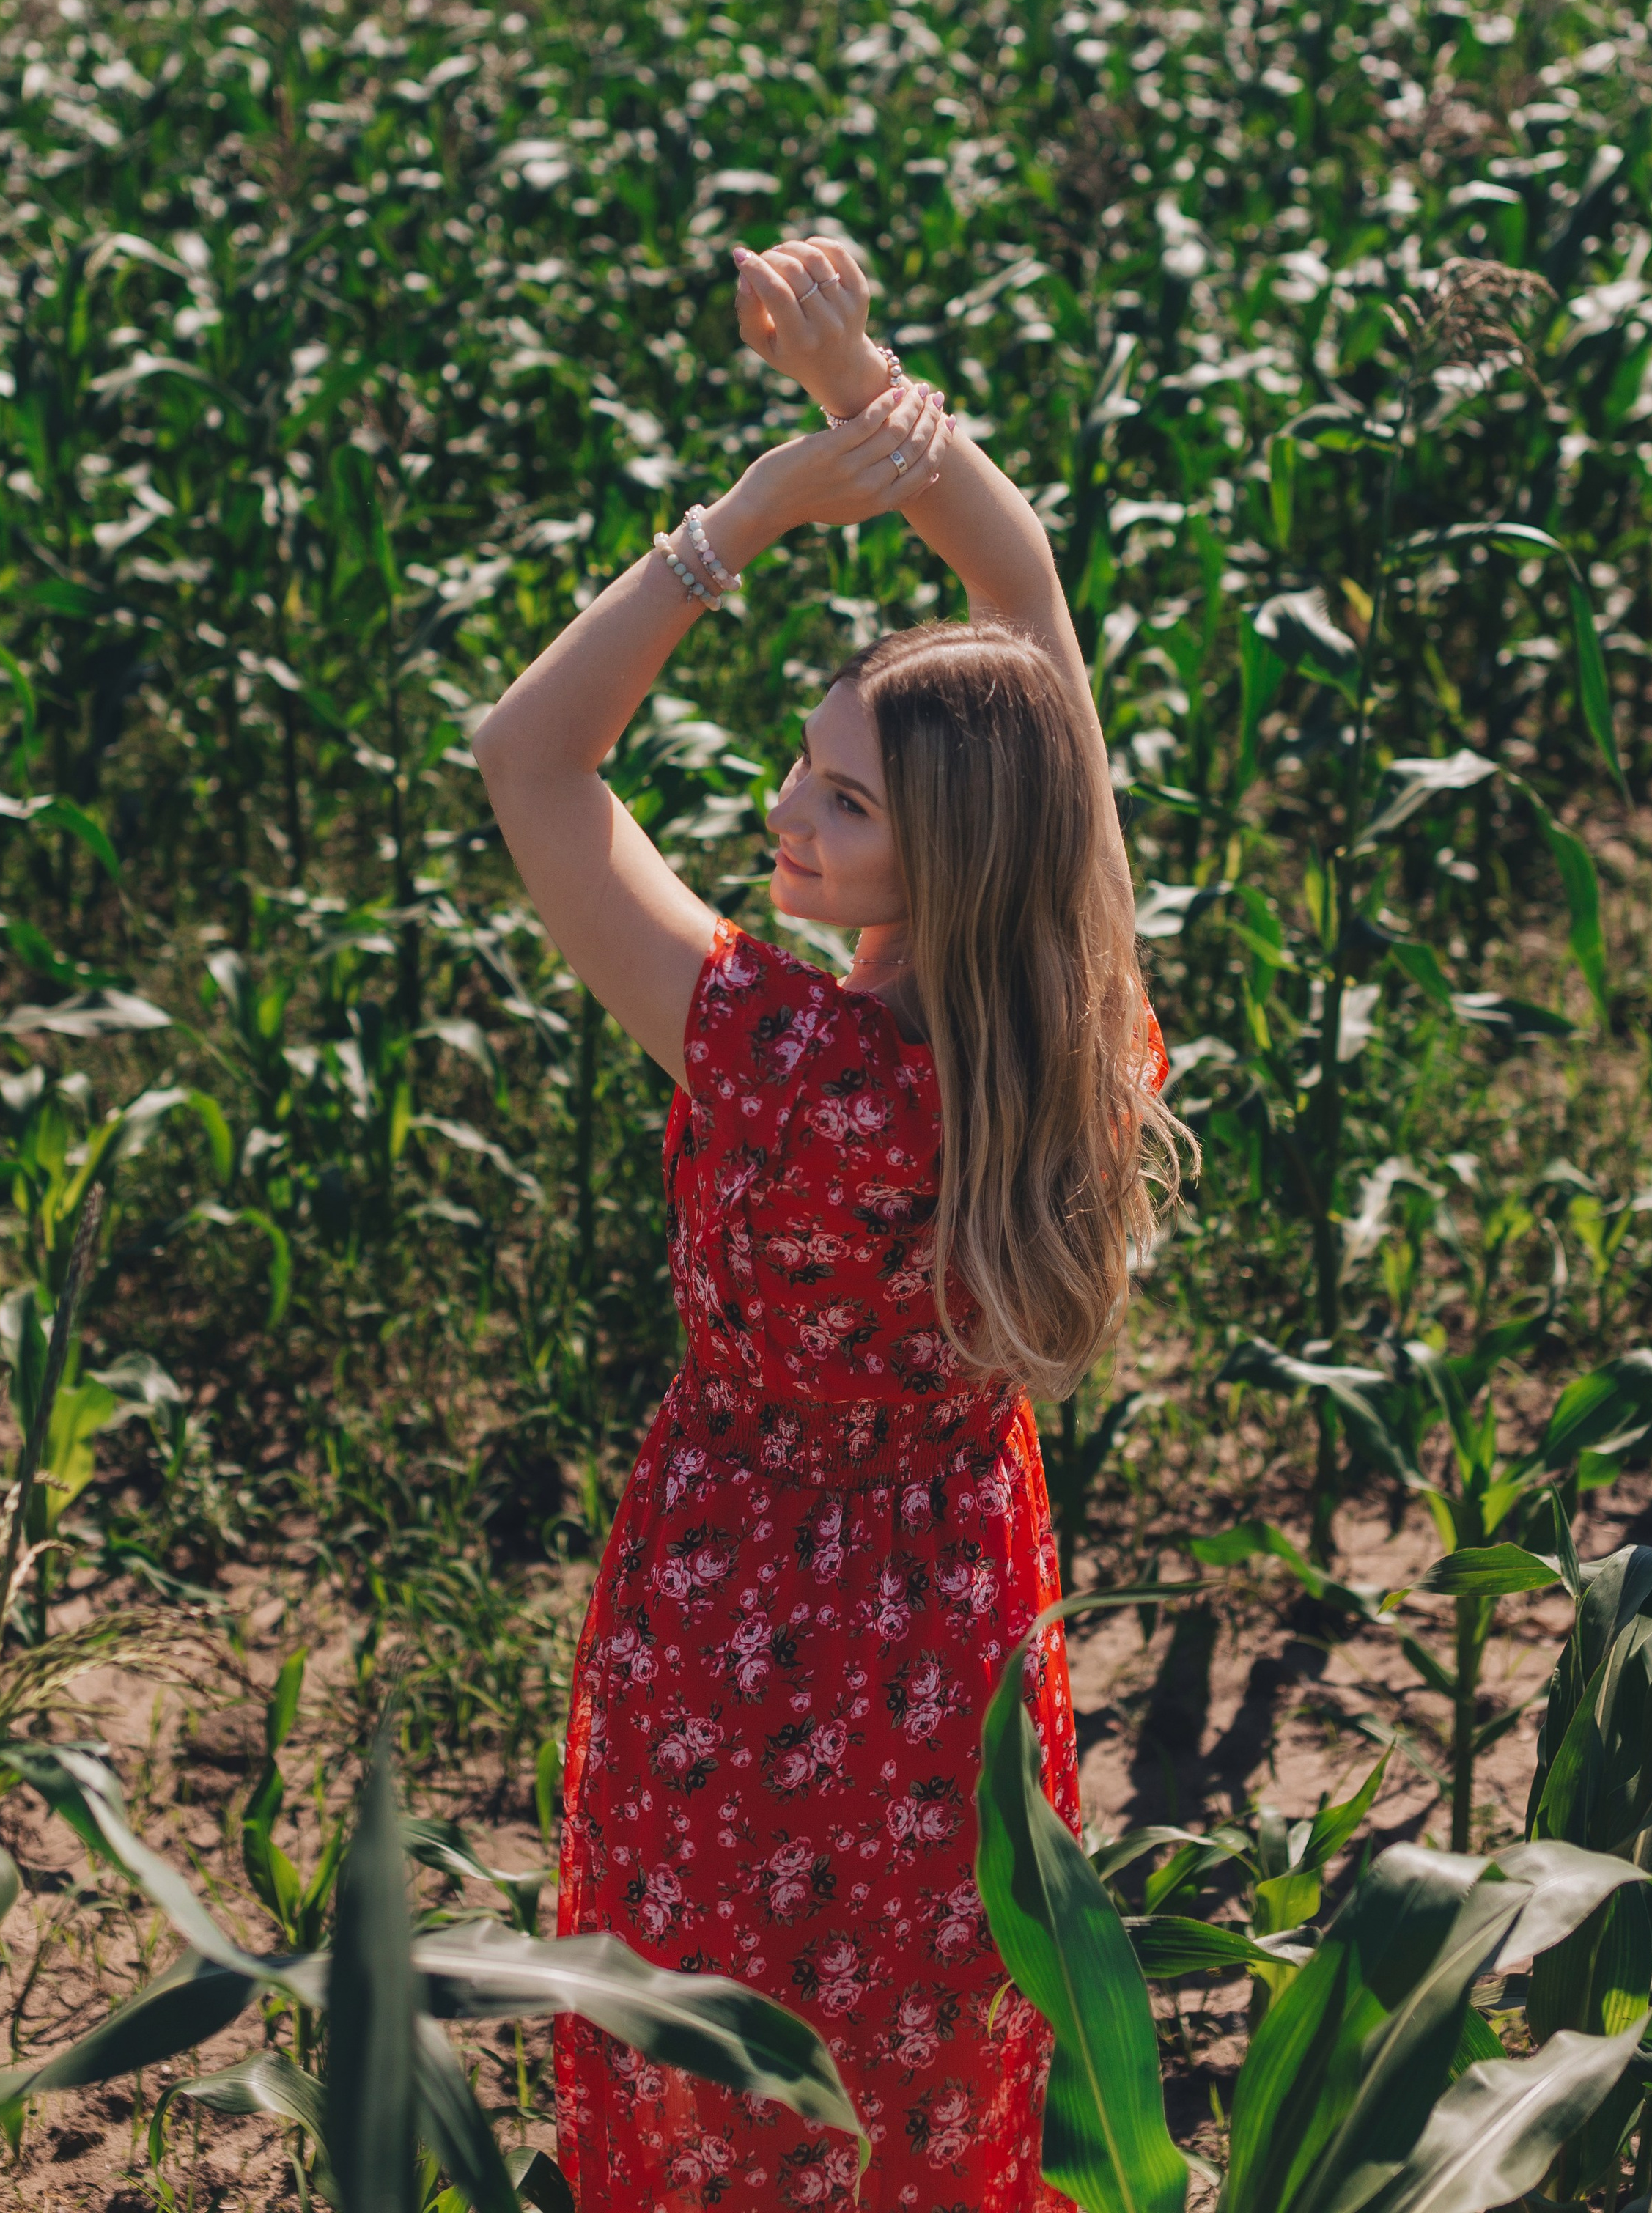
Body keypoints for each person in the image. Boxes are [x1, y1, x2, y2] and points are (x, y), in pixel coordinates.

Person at [471, 236, 1183, 2212]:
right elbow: (1022, 603)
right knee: (936, 2072)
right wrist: (873, 398)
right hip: (955, 1605)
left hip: (738, 1627)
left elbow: (530, 758)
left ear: (946, 843)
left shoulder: (785, 1064)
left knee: (716, 2061)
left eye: (845, 800)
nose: (787, 813)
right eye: (803, 763)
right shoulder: (1079, 1031)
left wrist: (760, 510)